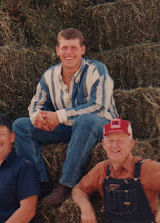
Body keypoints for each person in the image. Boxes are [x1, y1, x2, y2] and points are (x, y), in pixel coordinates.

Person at [13, 28, 118, 206]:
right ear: (57, 50)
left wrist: (59, 116)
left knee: (85, 120)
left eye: (73, 48)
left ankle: (65, 186)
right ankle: (40, 184)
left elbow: (98, 107)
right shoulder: (49, 75)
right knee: (20, 126)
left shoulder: (96, 70)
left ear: (82, 50)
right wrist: (38, 116)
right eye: (64, 48)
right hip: (69, 128)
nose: (69, 53)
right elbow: (37, 103)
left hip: (102, 126)